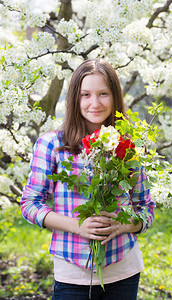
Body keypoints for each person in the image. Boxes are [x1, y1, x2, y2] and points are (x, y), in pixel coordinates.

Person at [20, 58, 155, 300]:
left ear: (115, 97)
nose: (95, 103)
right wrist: (77, 226)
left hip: (124, 270)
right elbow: (30, 204)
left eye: (103, 94)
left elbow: (146, 208)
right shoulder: (52, 144)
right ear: (75, 98)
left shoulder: (128, 145)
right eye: (86, 95)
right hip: (72, 275)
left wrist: (123, 225)